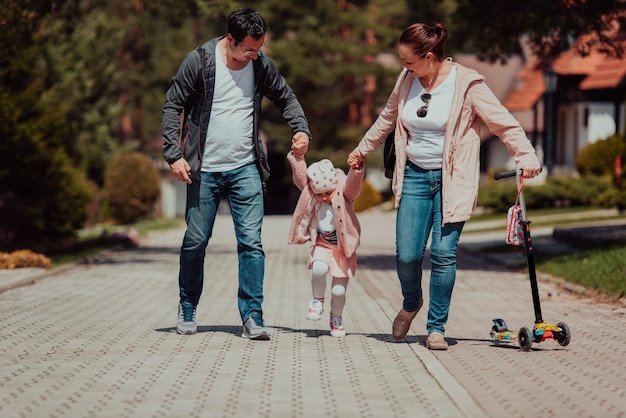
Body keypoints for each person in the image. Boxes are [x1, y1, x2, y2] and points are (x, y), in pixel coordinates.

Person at [348, 22, 541, 350]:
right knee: (407, 255)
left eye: (409, 62)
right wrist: (361, 149)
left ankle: (436, 327)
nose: (404, 67)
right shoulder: (407, 79)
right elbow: (388, 117)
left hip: (454, 180)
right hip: (414, 176)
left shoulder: (467, 84)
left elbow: (502, 121)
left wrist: (526, 156)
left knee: (442, 252)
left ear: (430, 56)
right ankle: (412, 303)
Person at [162, 7, 312, 340]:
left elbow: (285, 96)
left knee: (252, 244)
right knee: (196, 241)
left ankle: (253, 316)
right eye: (248, 49)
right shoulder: (199, 62)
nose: (254, 56)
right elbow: (174, 105)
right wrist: (173, 154)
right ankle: (187, 305)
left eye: (259, 49)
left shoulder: (259, 66)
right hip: (204, 170)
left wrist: (300, 128)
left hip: (245, 166)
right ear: (230, 40)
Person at [287, 153, 364, 337]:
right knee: (318, 269)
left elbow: (353, 186)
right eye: (319, 194)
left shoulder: (344, 194)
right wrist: (297, 158)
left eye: (327, 193)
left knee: (338, 292)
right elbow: (301, 180)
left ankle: (336, 317)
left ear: (335, 187)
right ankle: (317, 300)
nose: (323, 198)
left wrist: (356, 169)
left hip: (343, 250)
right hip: (321, 244)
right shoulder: (312, 195)